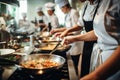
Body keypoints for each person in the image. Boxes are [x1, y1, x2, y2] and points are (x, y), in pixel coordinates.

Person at [61, 0, 120, 79]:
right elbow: (100, 32)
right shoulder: (98, 4)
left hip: (114, 62)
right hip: (98, 54)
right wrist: (74, 38)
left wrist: (95, 75)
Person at [59, 0, 99, 77]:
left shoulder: (104, 3)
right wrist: (67, 31)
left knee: (94, 71)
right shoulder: (86, 5)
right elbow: (79, 25)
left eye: (61, 8)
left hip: (97, 43)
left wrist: (74, 37)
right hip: (87, 43)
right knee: (85, 68)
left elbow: (100, 32)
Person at [53, 0, 84, 74]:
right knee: (71, 61)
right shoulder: (67, 14)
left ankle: (76, 75)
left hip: (76, 42)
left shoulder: (74, 12)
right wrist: (59, 31)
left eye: (61, 8)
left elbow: (78, 29)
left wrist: (65, 34)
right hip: (70, 42)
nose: (61, 10)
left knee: (75, 61)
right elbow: (68, 28)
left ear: (65, 6)